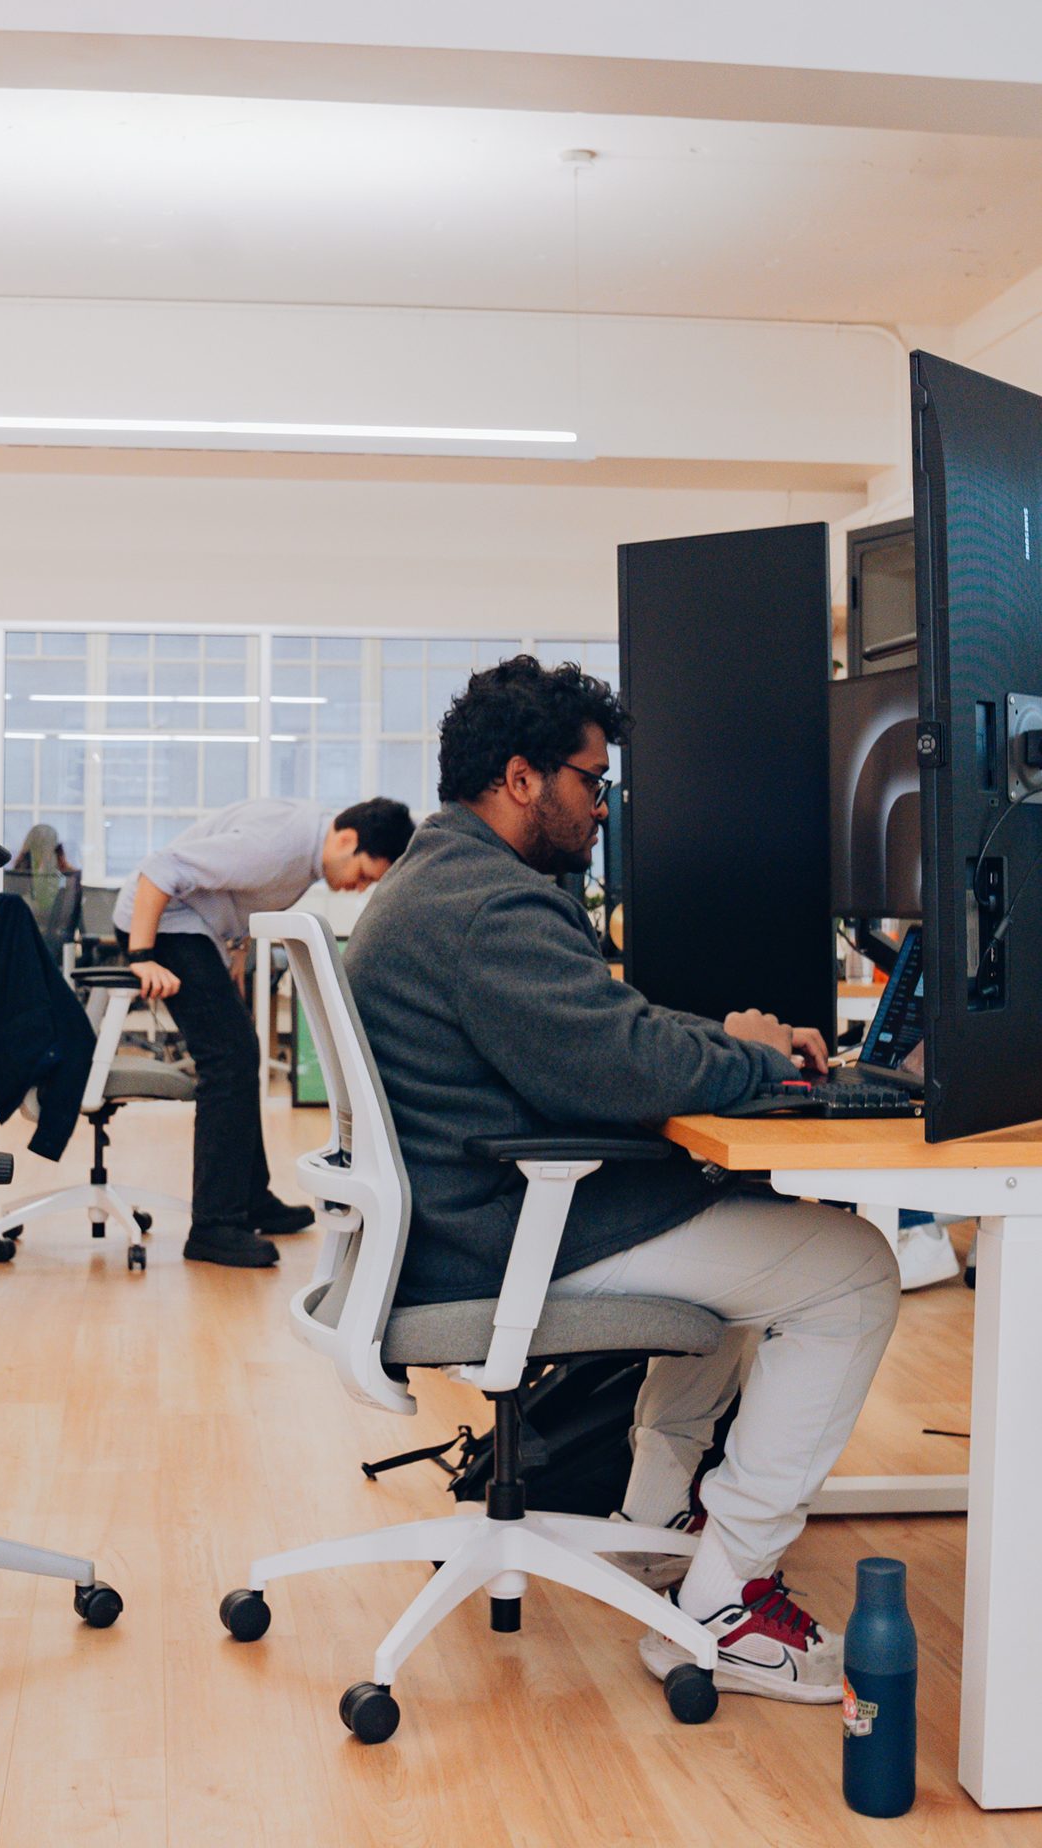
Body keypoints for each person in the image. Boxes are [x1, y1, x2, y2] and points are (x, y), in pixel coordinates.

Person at [344, 654, 900, 1706]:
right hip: (501, 1234)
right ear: (521, 777)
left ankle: (659, 1529)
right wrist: (761, 1058)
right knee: (855, 1270)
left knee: (760, 1233)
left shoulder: (446, 877)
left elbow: (606, 1034)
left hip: (467, 1217)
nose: (602, 806)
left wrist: (724, 1040)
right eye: (590, 781)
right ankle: (725, 1599)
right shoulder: (487, 908)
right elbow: (621, 1066)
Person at [113, 795, 414, 1268]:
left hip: (196, 929)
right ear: (348, 839)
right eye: (364, 876)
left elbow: (235, 894)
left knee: (241, 1054)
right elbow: (160, 868)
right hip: (164, 925)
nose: (358, 889)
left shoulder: (308, 854)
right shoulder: (281, 845)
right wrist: (141, 956)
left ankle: (251, 1199)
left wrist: (233, 952)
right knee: (229, 1061)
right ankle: (214, 1226)